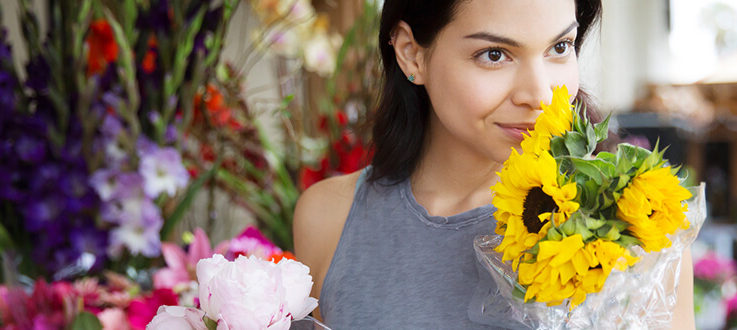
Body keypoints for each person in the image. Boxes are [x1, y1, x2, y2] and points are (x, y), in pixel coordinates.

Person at [293, 0, 695, 328]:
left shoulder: (636, 224)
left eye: (560, 47)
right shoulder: (330, 218)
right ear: (411, 54)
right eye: (494, 54)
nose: (540, 95)